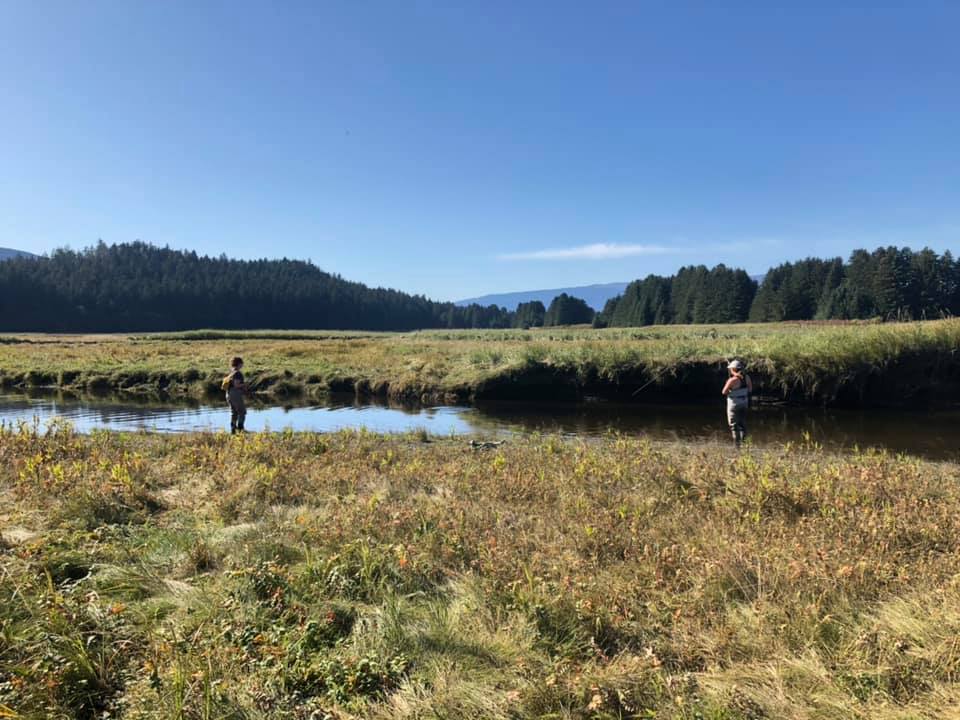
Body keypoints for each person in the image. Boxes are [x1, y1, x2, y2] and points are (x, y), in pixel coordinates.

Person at [721, 359, 752, 448]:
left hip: (734, 405)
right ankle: (745, 445)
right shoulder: (747, 377)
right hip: (744, 404)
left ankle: (737, 446)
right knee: (742, 424)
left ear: (733, 369)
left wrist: (729, 385)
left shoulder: (732, 380)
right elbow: (750, 390)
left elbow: (724, 392)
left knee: (734, 426)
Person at [224, 356, 247, 434]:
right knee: (242, 412)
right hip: (235, 394)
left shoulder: (231, 372)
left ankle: (233, 428)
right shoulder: (238, 373)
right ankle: (240, 428)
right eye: (242, 363)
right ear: (239, 364)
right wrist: (244, 385)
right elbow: (236, 385)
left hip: (228, 394)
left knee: (234, 412)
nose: (242, 365)